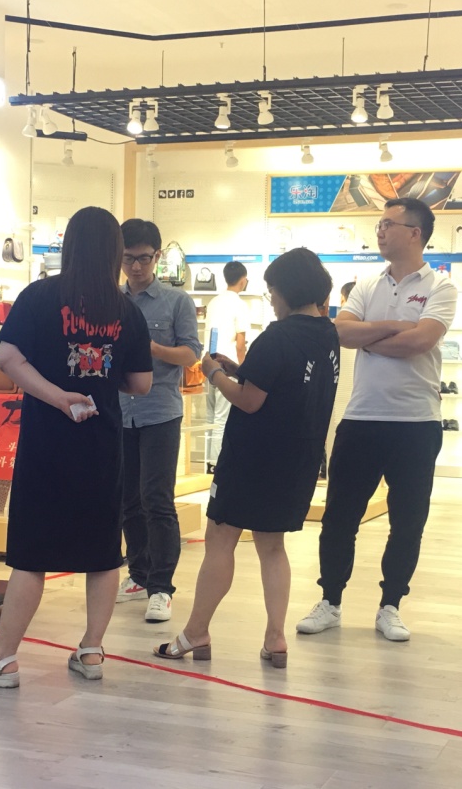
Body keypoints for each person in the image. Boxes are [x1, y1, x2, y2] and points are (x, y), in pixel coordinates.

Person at [0, 206, 152, 687]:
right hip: (102, 444)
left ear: (69, 246)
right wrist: (99, 380)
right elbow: (141, 384)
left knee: (33, 552)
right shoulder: (125, 310)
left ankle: (2, 659)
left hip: (47, 443)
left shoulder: (40, 296)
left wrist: (57, 396)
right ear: (114, 251)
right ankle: (91, 652)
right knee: (103, 552)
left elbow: (8, 358)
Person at [154, 248, 339, 668]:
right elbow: (285, 383)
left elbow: (250, 401)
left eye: (272, 291)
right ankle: (275, 638)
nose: (271, 300)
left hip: (251, 457)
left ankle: (195, 631)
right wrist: (240, 369)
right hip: (297, 458)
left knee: (220, 540)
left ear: (287, 290)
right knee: (272, 547)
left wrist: (215, 373)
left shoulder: (277, 336)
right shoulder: (327, 334)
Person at [295, 197, 457, 642]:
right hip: (362, 417)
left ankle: (391, 606)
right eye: (379, 223)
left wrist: (371, 335)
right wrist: (398, 327)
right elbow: (341, 331)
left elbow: (422, 342)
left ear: (415, 233)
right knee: (339, 517)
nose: (380, 230)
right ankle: (330, 601)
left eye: (389, 224)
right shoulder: (367, 284)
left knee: (407, 521)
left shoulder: (441, 287)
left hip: (417, 422)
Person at [117, 219, 203, 623]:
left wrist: (149, 347)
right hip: (119, 412)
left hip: (160, 412)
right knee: (127, 500)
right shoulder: (110, 300)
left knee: (157, 499)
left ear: (157, 256)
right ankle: (138, 574)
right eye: (128, 259)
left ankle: (162, 587)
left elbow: (191, 354)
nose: (136, 267)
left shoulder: (176, 301)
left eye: (144, 258)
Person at [204, 261, 251, 474]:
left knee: (210, 416)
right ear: (243, 280)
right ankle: (216, 463)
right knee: (223, 417)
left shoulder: (214, 302)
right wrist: (243, 370)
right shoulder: (240, 305)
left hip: (208, 363)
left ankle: (208, 462)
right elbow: (240, 344)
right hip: (228, 366)